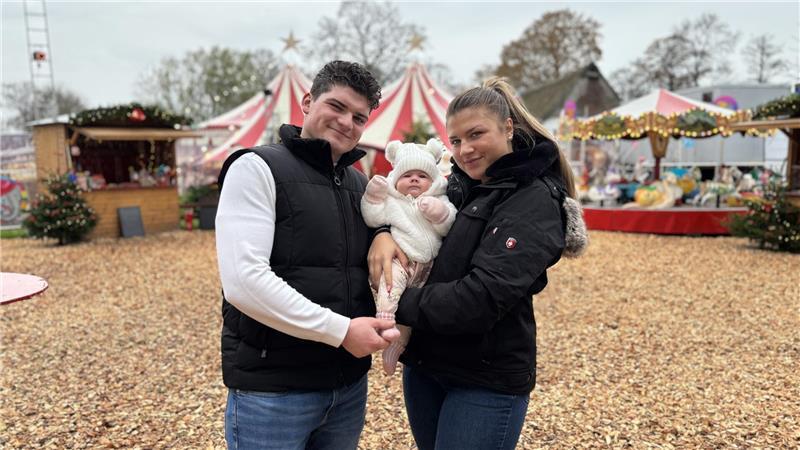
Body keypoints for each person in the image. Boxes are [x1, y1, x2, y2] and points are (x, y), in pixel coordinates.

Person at [368, 77, 588, 449]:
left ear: (508, 128)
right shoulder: (461, 186)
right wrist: (383, 233)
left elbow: (481, 299)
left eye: (476, 134)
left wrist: (392, 306)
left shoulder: (532, 199)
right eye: (455, 141)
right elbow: (407, 216)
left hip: (484, 378)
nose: (464, 149)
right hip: (428, 366)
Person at [215, 60, 398, 450]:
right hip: (274, 390)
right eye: (337, 106)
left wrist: (383, 231)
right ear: (307, 101)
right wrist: (341, 331)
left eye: (359, 117)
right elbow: (244, 281)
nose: (347, 122)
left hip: (347, 386)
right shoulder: (256, 168)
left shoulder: (359, 184)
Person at [360, 138, 457, 376]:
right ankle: (384, 321)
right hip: (401, 260)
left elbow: (449, 223)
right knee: (389, 286)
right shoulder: (392, 200)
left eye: (422, 176)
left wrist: (439, 214)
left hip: (429, 268)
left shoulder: (439, 199)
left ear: (433, 181)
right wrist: (373, 197)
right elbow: (373, 217)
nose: (414, 179)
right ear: (395, 180)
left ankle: (396, 348)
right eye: (407, 175)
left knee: (408, 321)